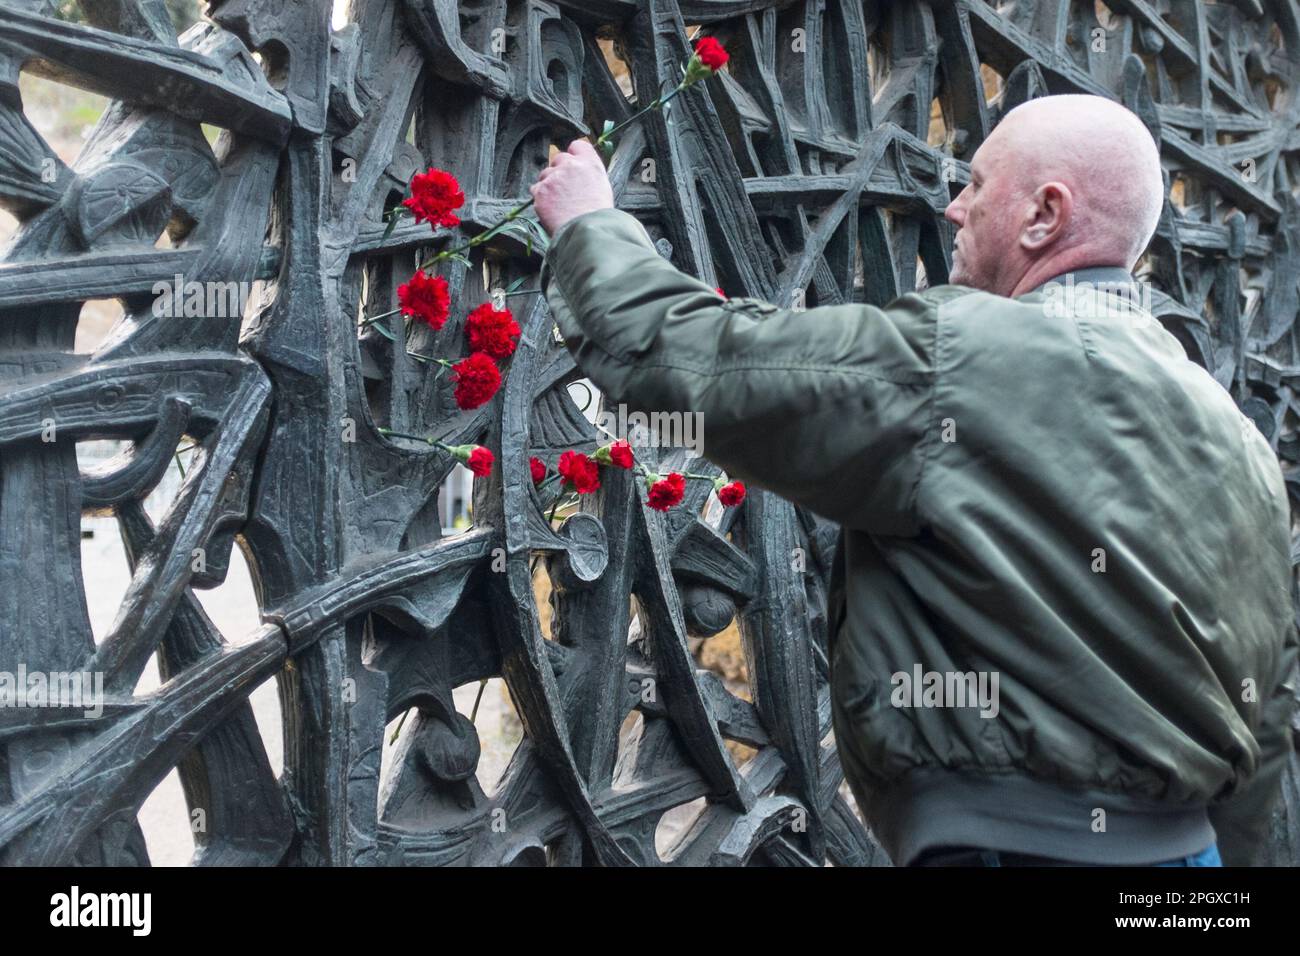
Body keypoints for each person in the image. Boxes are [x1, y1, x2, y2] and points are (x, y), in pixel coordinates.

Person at [529, 94, 1298, 866]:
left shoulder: (964, 354)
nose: (955, 208)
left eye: (977, 184)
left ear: (1044, 215)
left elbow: (700, 365)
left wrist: (591, 226)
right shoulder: (1234, 435)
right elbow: (1267, 712)